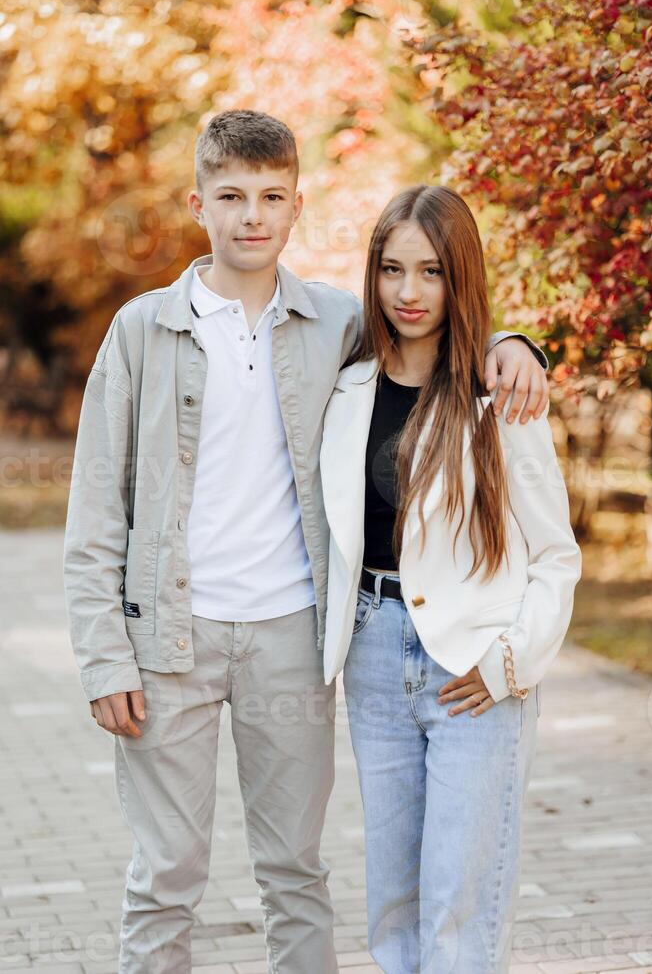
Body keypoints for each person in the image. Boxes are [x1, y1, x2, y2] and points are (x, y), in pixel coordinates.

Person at [63, 110, 551, 974]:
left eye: (271, 198)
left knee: (295, 873)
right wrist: (104, 658)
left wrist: (517, 344)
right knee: (165, 875)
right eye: (232, 197)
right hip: (169, 641)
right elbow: (97, 508)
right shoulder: (140, 332)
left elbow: (436, 334)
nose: (252, 216)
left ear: (296, 208)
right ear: (198, 204)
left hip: (294, 636)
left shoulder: (336, 323)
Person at [320, 184, 583, 973]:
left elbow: (555, 556)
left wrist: (511, 663)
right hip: (372, 654)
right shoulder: (345, 383)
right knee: (394, 908)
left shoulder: (499, 396)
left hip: (472, 669)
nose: (409, 292)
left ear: (458, 276)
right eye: (392, 270)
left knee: (458, 911)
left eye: (431, 272)